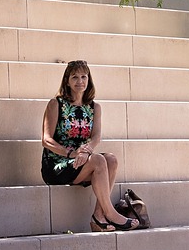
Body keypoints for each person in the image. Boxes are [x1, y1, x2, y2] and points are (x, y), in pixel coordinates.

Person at [41, 60, 141, 231]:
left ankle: (98, 216)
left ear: (89, 80)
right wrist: (72, 154)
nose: (80, 81)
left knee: (111, 159)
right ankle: (110, 212)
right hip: (57, 164)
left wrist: (86, 152)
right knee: (98, 160)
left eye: (83, 77)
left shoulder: (94, 107)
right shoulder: (56, 104)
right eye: (75, 77)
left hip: (81, 160)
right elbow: (46, 139)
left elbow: (96, 137)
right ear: (67, 80)